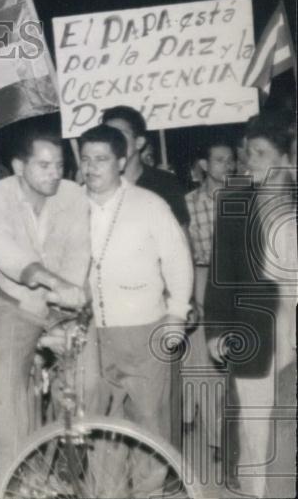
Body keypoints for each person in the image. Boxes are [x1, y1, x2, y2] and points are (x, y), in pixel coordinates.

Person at [78, 125, 192, 478]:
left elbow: (178, 260)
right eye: (85, 159)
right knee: (100, 427)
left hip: (145, 331)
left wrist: (176, 316)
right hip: (93, 333)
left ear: (122, 160)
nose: (91, 167)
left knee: (150, 424)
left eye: (101, 159)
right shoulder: (71, 205)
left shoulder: (149, 204)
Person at [0, 130, 91, 472]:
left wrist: (65, 301)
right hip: (15, 302)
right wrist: (49, 280)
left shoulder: (73, 194)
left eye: (59, 164)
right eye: (43, 165)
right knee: (7, 380)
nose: (54, 172)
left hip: (63, 304)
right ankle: (8, 470)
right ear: (18, 166)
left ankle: (71, 462)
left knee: (81, 381)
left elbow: (79, 250)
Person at [206, 112, 297, 499]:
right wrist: (216, 329)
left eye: (261, 153)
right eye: (248, 153)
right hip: (254, 328)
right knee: (254, 419)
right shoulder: (235, 202)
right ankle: (256, 492)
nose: (250, 161)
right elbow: (220, 272)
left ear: (284, 159)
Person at [182, 140, 236, 444]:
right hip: (203, 277)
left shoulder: (244, 198)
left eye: (231, 160)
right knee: (206, 360)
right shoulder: (188, 203)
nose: (228, 166)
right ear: (204, 165)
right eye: (219, 160)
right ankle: (216, 438)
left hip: (237, 281)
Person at [101, 106, 190, 226]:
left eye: (120, 134)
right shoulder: (98, 184)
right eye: (107, 135)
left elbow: (181, 239)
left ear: (139, 142)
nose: (112, 141)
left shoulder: (165, 183)